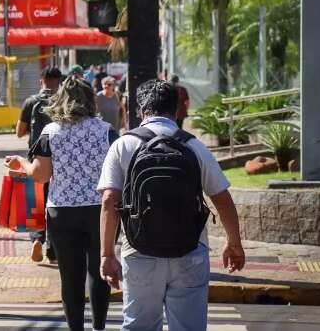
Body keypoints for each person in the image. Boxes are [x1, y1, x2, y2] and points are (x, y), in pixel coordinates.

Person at [98, 79, 245, 331]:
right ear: (176, 110)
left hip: (139, 250)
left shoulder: (123, 145)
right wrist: (234, 243)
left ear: (141, 110)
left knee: (138, 327)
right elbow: (222, 197)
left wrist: (106, 254)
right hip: (189, 251)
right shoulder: (194, 145)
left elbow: (110, 199)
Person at [5, 77, 115, 331]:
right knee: (100, 269)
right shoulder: (106, 131)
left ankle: (76, 327)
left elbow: (40, 175)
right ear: (91, 100)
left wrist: (20, 163)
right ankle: (99, 326)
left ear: (61, 99)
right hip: (100, 211)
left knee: (70, 275)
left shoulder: (50, 132)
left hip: (61, 212)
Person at [16, 66, 62, 263]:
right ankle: (52, 250)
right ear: (59, 81)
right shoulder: (63, 101)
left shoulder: (31, 102)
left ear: (40, 81)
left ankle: (36, 239)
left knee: (35, 203)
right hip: (59, 160)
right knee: (54, 202)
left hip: (35, 160)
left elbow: (19, 131)